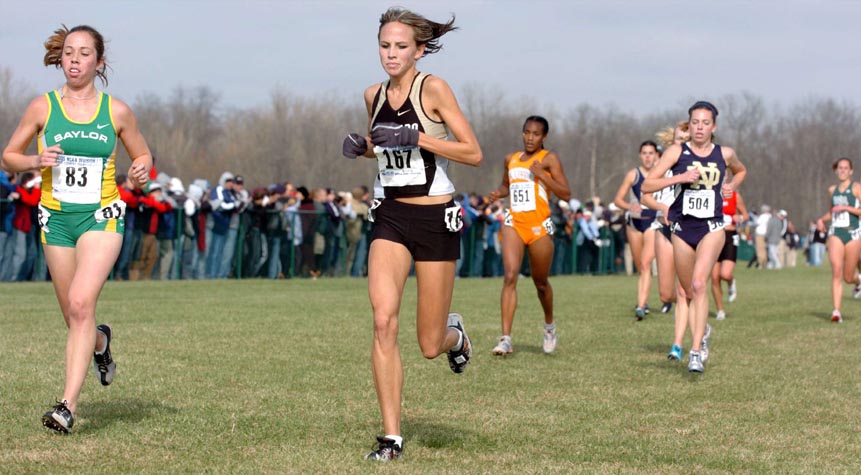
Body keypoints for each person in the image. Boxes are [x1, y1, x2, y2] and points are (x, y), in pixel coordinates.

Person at [340, 7, 482, 461]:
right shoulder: (372, 95)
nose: (391, 54)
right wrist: (363, 148)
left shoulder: (434, 88)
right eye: (385, 45)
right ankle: (391, 437)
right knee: (383, 321)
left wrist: (417, 138)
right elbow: (382, 148)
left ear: (420, 49)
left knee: (427, 344)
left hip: (435, 217)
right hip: (391, 216)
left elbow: (473, 152)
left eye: (401, 46)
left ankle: (455, 337)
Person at [1, 25, 151, 432]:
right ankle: (101, 343)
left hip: (102, 216)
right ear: (60, 58)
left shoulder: (116, 111)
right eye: (69, 52)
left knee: (82, 302)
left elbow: (143, 159)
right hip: (57, 219)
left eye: (84, 53)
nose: (74, 59)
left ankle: (66, 406)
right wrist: (35, 161)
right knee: (74, 315)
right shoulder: (42, 107)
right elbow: (8, 157)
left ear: (98, 62)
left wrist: (141, 172)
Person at [642, 101, 746, 373]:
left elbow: (741, 170)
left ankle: (696, 350)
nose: (700, 127)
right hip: (681, 228)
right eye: (695, 123)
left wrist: (731, 186)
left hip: (712, 226)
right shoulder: (677, 152)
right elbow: (648, 185)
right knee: (687, 291)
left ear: (714, 127)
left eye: (705, 123)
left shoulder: (725, 153)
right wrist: (679, 178)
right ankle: (704, 329)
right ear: (690, 125)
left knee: (700, 284)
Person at [487, 116, 571, 356]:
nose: (530, 138)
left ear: (544, 137)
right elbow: (507, 185)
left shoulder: (548, 160)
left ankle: (549, 326)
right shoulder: (510, 159)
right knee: (510, 276)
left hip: (539, 227)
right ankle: (505, 339)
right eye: (527, 132)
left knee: (541, 282)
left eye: (536, 134)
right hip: (515, 223)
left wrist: (543, 176)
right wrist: (498, 193)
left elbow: (565, 193)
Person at [644, 122, 692, 361]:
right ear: (671, 141)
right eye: (678, 139)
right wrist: (662, 206)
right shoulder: (664, 166)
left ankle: (679, 343)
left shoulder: (699, 164)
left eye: (686, 139)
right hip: (663, 230)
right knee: (665, 293)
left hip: (689, 231)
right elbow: (645, 195)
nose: (682, 143)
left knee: (686, 290)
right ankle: (689, 307)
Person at [613, 141, 659, 320]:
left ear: (656, 155)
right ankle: (644, 301)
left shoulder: (660, 174)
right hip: (634, 223)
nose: (648, 156)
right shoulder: (633, 174)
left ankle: (641, 305)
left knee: (647, 264)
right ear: (640, 155)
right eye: (645, 153)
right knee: (640, 266)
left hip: (652, 222)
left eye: (651, 153)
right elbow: (618, 199)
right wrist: (630, 206)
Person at [816, 157, 861, 323]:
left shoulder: (856, 189)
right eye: (840, 168)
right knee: (836, 271)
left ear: (851, 171)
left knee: (848, 277)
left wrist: (846, 207)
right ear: (836, 171)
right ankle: (836, 311)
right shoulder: (832, 190)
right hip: (836, 233)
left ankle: (858, 280)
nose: (842, 170)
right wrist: (821, 220)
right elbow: (832, 212)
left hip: (853, 234)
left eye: (845, 168)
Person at [711, 190, 749, 320]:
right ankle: (720, 310)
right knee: (715, 277)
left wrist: (740, 218)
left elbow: (746, 215)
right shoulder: (710, 192)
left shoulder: (735, 195)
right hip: (714, 235)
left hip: (730, 236)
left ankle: (731, 281)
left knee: (725, 274)